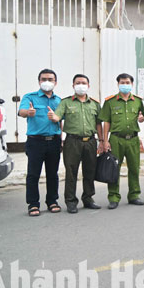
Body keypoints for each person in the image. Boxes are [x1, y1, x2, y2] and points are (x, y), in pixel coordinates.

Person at [48, 74, 103, 213]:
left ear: (88, 86)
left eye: (83, 83)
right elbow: (58, 116)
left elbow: (98, 124)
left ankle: (88, 198)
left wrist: (101, 141)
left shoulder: (95, 104)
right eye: (78, 83)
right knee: (71, 172)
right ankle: (71, 201)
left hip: (90, 141)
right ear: (73, 86)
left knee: (90, 171)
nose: (81, 85)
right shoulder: (66, 102)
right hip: (73, 142)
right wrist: (54, 117)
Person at [99, 73, 144, 209]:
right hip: (116, 139)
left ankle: (134, 195)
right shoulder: (110, 101)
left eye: (127, 82)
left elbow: (143, 115)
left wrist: (141, 118)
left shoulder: (137, 101)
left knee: (134, 168)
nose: (125, 85)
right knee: (114, 168)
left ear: (132, 84)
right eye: (122, 82)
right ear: (118, 84)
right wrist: (105, 141)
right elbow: (106, 121)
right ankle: (113, 197)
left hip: (132, 139)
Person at [18, 69, 62, 217]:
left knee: (52, 174)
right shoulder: (30, 97)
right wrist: (28, 113)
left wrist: (61, 138)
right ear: (39, 81)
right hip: (36, 142)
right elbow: (21, 111)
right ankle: (33, 204)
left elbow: (60, 121)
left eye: (50, 79)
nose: (47, 82)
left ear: (55, 82)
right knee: (33, 174)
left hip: (54, 141)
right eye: (44, 79)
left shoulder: (59, 100)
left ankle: (52, 201)